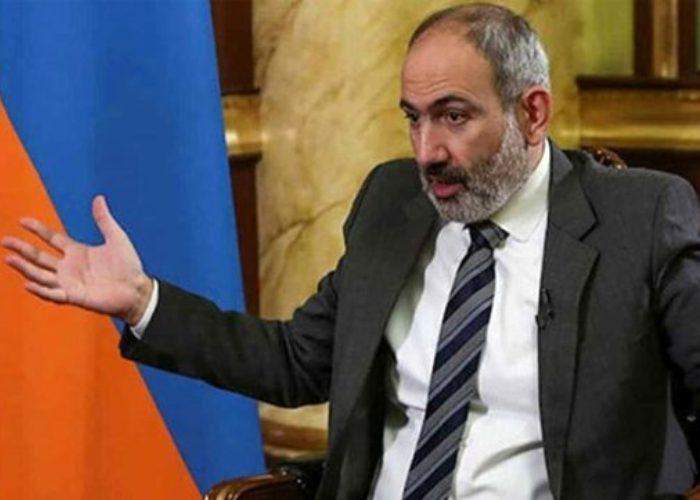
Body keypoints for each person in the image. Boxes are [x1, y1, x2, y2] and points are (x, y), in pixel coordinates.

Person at [4, 3, 700, 499]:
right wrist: (142, 301)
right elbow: (295, 362)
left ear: (532, 112)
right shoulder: (394, 205)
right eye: (414, 119)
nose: (428, 151)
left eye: (454, 117)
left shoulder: (639, 219)